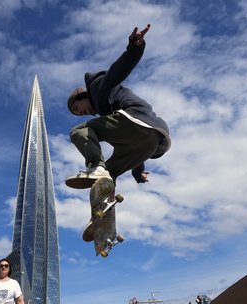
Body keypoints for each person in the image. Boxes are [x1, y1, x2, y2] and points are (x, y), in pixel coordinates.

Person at [65, 24, 171, 191]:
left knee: (78, 131)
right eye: (78, 114)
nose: (82, 114)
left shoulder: (97, 87)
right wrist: (138, 174)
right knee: (108, 173)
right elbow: (136, 144)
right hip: (153, 139)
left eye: (78, 108)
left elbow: (117, 71)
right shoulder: (109, 114)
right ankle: (105, 199)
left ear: (83, 96)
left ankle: (95, 166)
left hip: (136, 119)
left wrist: (134, 49)